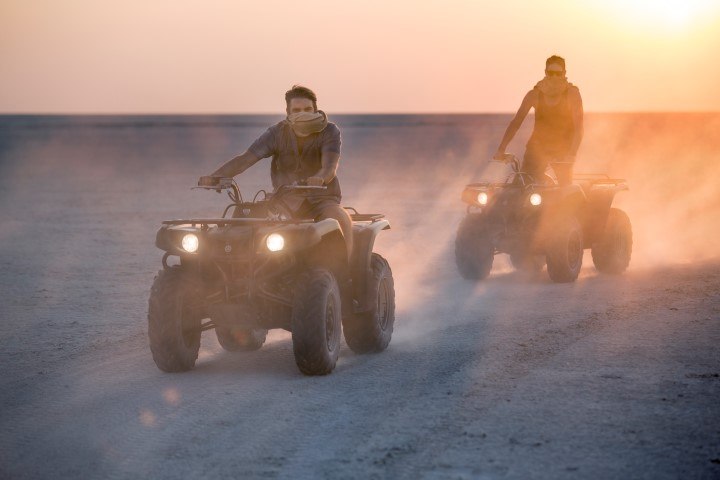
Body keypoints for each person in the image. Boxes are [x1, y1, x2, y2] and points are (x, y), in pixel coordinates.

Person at [200, 85, 353, 256]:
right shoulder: (277, 133)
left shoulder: (329, 131)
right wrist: (215, 177)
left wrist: (320, 178)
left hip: (322, 200)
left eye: (308, 109)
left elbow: (329, 168)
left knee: (338, 218)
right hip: (284, 200)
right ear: (288, 113)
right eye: (297, 110)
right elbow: (246, 159)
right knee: (249, 222)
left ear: (316, 110)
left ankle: (351, 271)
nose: (303, 113)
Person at [494, 55, 583, 186]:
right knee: (520, 187)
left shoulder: (572, 94)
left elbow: (579, 128)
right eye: (550, 73)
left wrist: (572, 154)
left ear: (564, 73)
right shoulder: (534, 94)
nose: (554, 77)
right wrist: (501, 149)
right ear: (545, 72)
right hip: (537, 147)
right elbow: (516, 123)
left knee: (566, 192)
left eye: (558, 73)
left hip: (563, 149)